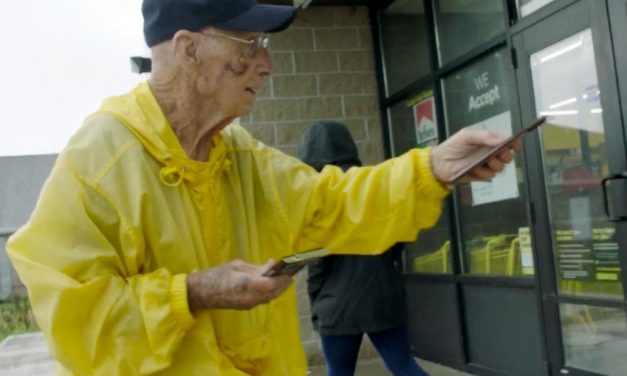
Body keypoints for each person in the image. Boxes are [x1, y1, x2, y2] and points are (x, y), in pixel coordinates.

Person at [6, 0, 515, 374]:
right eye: (251, 46)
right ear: (188, 50)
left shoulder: (240, 154)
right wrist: (196, 291)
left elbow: (333, 203)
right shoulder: (99, 162)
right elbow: (75, 320)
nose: (267, 64)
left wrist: (431, 169)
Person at [298, 121, 428, 376]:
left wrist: (317, 303)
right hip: (383, 295)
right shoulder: (371, 183)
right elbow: (398, 234)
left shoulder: (317, 193)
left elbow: (315, 259)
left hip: (335, 304)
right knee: (404, 366)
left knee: (339, 371)